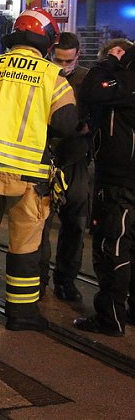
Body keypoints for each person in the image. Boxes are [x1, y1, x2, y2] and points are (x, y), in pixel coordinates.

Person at [0, 7, 77, 331]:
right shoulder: (51, 74)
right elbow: (66, 123)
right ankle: (20, 316)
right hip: (28, 177)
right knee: (24, 246)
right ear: (48, 41)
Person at [73, 38, 135, 337]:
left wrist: (109, 62)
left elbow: (91, 89)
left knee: (113, 245)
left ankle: (110, 318)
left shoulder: (124, 81)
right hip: (125, 176)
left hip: (119, 178)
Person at [39, 31, 92, 301]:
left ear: (77, 56)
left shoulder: (86, 79)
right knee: (40, 223)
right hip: (45, 156)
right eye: (58, 60)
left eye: (68, 61)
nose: (63, 66)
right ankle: (38, 280)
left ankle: (66, 280)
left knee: (75, 223)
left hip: (75, 158)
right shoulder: (42, 76)